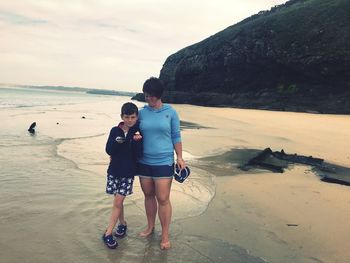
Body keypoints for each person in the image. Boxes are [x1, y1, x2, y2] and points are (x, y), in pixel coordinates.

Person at [137, 77, 186, 250]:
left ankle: (165, 234)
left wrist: (179, 157)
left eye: (151, 96)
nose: (148, 99)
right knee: (148, 195)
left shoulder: (170, 112)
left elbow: (176, 136)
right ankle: (150, 227)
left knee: (163, 198)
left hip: (164, 160)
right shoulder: (141, 112)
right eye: (146, 95)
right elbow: (130, 129)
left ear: (159, 95)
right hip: (143, 161)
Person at [102, 102, 142, 249]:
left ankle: (107, 233)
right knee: (117, 202)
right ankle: (123, 224)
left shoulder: (137, 132)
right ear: (122, 117)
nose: (130, 120)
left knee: (118, 202)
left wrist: (137, 142)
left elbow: (138, 155)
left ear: (137, 117)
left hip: (128, 174)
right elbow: (109, 150)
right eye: (127, 117)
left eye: (133, 117)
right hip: (114, 172)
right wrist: (118, 142)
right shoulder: (115, 130)